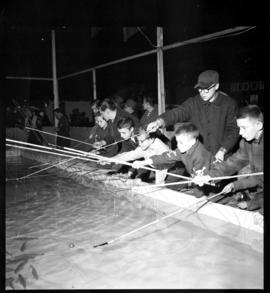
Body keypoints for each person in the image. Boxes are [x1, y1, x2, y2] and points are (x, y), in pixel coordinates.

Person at [147, 70, 240, 162]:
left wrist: (223, 150)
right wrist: (160, 122)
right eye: (200, 89)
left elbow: (233, 130)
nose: (202, 92)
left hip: (221, 156)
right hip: (199, 156)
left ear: (216, 86)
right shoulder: (193, 103)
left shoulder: (229, 104)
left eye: (206, 89)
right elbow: (177, 112)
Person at [193, 105, 263, 214]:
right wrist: (209, 176)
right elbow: (232, 164)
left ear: (258, 125)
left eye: (244, 128)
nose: (240, 133)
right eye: (239, 128)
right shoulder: (246, 143)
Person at [132, 122, 214, 196]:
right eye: (177, 142)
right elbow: (165, 157)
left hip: (214, 180)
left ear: (193, 141)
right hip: (198, 175)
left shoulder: (200, 156)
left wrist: (199, 197)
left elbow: (201, 182)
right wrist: (142, 163)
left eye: (181, 142)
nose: (178, 145)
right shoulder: (182, 149)